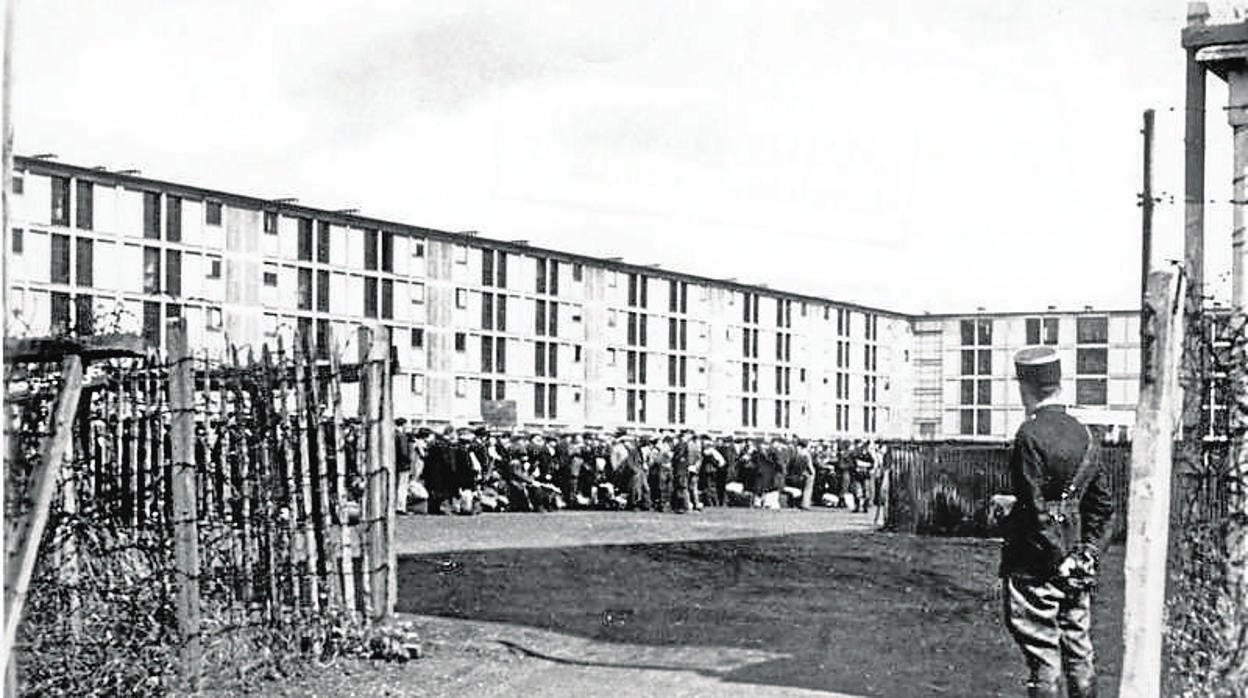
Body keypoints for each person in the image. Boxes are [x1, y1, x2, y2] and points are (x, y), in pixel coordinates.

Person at [1000, 346, 1113, 698]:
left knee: (1044, 657)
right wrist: (1088, 553)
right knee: (1079, 651)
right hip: (1077, 563)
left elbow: (1035, 509)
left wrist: (1056, 558)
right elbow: (1102, 507)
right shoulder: (1086, 435)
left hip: (1035, 564)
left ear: (1025, 388)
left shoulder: (1029, 435)